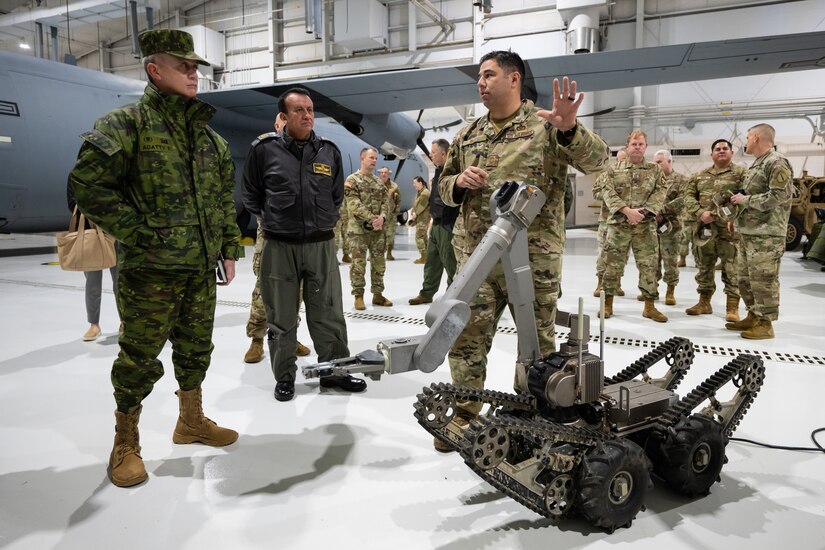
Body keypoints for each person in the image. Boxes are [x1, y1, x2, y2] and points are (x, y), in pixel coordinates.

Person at [70, 29, 241, 488]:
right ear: (154, 69)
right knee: (138, 359)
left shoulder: (211, 141)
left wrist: (228, 247)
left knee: (195, 350)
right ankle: (125, 442)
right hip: (149, 274)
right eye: (183, 65)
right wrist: (140, 233)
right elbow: (86, 186)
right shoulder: (125, 125)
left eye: (196, 66)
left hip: (200, 272)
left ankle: (191, 421)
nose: (194, 73)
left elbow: (223, 199)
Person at [438, 50, 609, 450]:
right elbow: (444, 189)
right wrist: (458, 181)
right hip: (475, 258)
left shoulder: (545, 126)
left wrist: (569, 130)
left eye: (488, 75)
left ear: (514, 79)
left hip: (533, 261)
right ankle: (465, 413)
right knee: (465, 336)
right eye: (478, 77)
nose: (480, 83)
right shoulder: (468, 133)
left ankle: (537, 415)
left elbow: (599, 160)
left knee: (537, 344)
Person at [242, 87, 366, 401]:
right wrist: (275, 220)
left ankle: (334, 373)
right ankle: (284, 378)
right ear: (283, 117)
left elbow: (336, 196)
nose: (307, 115)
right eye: (299, 110)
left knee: (328, 314)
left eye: (310, 110)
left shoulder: (328, 150)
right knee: (282, 318)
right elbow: (251, 196)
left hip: (321, 246)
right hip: (279, 247)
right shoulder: (264, 150)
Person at [243, 113, 310, 363]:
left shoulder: (305, 155)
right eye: (283, 122)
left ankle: (289, 338)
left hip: (298, 239)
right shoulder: (265, 152)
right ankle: (257, 340)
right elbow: (251, 192)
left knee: (296, 291)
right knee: (263, 291)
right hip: (270, 236)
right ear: (277, 125)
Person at [727, 123, 793, 339]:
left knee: (763, 279)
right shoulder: (756, 165)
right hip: (749, 232)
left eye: (747, 137)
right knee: (745, 278)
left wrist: (746, 200)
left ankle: (765, 324)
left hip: (767, 234)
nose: (745, 142)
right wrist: (735, 218)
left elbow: (779, 196)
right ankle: (754, 315)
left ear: (755, 138)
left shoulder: (777, 163)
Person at [599, 130, 668, 322]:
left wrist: (643, 212)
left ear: (645, 147)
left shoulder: (655, 170)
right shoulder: (613, 170)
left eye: (641, 144)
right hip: (619, 225)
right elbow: (607, 191)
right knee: (612, 265)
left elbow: (661, 191)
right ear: (627, 146)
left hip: (645, 226)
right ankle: (607, 304)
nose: (637, 147)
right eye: (634, 144)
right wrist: (626, 211)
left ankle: (649, 307)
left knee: (649, 266)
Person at [682, 139, 746, 322]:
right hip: (705, 230)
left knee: (732, 269)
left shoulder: (742, 174)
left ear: (732, 153)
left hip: (729, 232)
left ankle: (732, 307)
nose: (721, 151)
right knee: (704, 268)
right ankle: (704, 302)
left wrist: (735, 217)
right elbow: (688, 198)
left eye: (725, 148)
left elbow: (747, 196)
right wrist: (701, 213)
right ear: (712, 154)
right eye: (717, 149)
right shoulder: (699, 176)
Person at [408, 139, 460, 305]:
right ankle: (427, 293)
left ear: (444, 154)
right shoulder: (438, 171)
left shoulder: (453, 172)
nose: (431, 155)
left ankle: (453, 298)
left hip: (448, 225)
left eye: (434, 152)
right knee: (432, 262)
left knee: (450, 263)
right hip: (436, 224)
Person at [67, 181, 120, 341]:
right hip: (90, 231)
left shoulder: (112, 170)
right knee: (92, 281)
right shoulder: (76, 174)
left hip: (115, 230)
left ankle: (125, 321)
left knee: (120, 280)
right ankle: (93, 324)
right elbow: (71, 202)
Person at [345, 147, 393, 310]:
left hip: (377, 231)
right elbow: (353, 204)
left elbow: (387, 202)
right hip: (358, 230)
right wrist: (373, 219)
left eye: (375, 158)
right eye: (371, 158)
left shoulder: (379, 182)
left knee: (379, 263)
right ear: (362, 158)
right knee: (358, 264)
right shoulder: (352, 180)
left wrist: (383, 217)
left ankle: (378, 295)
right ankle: (358, 296)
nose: (374, 161)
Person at [652, 149, 687, 306]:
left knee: (670, 261)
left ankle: (670, 291)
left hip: (671, 229)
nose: (656, 165)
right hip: (652, 227)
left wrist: (662, 210)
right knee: (652, 261)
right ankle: (652, 289)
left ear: (669, 161)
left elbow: (682, 200)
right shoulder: (652, 180)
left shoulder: (681, 180)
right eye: (655, 162)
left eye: (659, 162)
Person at [592, 149, 627, 297]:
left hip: (624, 221)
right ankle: (600, 282)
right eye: (619, 159)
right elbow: (595, 192)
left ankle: (617, 282)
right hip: (606, 220)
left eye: (624, 159)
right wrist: (610, 196)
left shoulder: (633, 177)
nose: (621, 162)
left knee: (621, 254)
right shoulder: (606, 174)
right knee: (602, 252)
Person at [379, 167, 401, 260]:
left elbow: (398, 199)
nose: (384, 174)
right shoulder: (376, 184)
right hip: (379, 215)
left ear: (389, 174)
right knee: (377, 235)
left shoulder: (394, 186)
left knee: (390, 235)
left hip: (390, 215)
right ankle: (375, 254)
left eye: (386, 172)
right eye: (382, 172)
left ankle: (389, 252)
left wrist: (396, 212)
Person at [408, 176, 431, 262]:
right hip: (421, 218)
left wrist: (415, 213)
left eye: (415, 183)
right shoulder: (420, 192)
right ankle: (427, 256)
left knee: (419, 237)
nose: (414, 185)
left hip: (423, 219)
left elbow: (422, 205)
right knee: (424, 237)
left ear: (420, 182)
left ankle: (423, 257)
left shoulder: (425, 193)